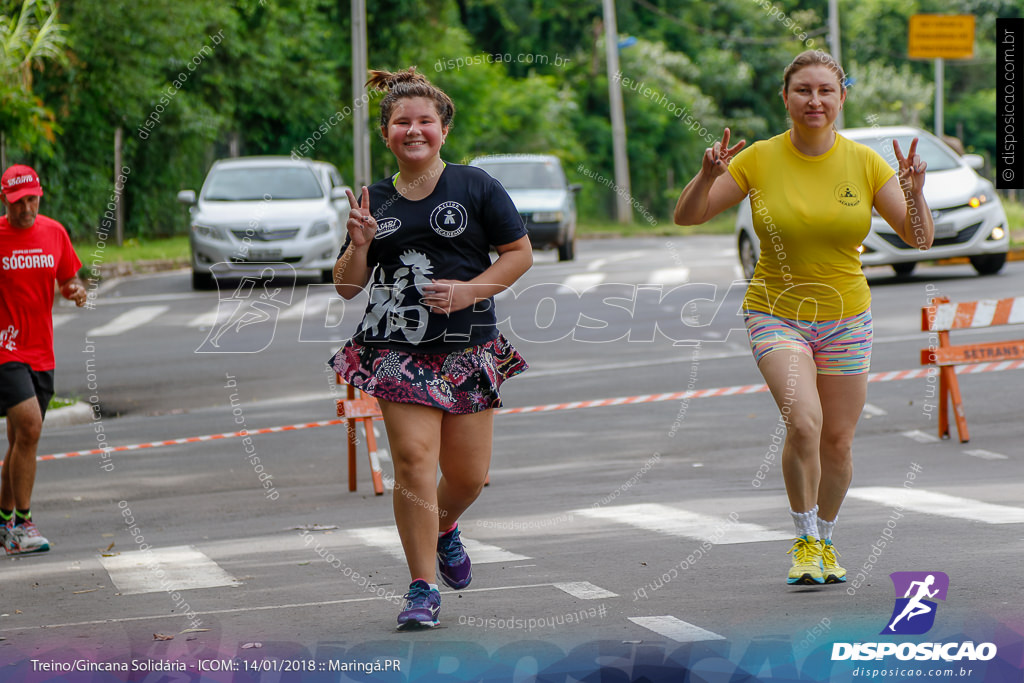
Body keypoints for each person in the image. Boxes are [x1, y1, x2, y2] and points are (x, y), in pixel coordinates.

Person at [673, 50, 933, 585]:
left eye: (825, 91)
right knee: (805, 422)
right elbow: (688, 216)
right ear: (785, 97)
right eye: (803, 90)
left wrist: (916, 194)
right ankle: (803, 537)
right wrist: (705, 177)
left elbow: (919, 237)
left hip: (846, 317)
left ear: (841, 99)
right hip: (776, 312)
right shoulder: (759, 159)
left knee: (837, 440)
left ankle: (827, 540)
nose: (815, 101)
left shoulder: (864, 162)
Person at [328, 68, 532, 628]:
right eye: (401, 122)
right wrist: (361, 243)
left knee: (468, 477)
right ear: (386, 132)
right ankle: (421, 587)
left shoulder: (476, 186)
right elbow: (347, 284)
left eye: (424, 121)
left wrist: (469, 291)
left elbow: (519, 254)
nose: (412, 130)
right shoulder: (375, 198)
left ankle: (445, 527)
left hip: (469, 346)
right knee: (414, 462)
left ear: (443, 129)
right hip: (396, 347)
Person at [0, 164, 87, 555]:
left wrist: (74, 290)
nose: (26, 208)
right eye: (19, 202)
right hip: (5, 348)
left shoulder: (54, 233)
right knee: (31, 428)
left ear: (40, 195)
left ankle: (3, 523)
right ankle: (23, 524)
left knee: (21, 440)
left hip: (42, 352)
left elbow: (69, 277)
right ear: (5, 200)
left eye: (32, 199)